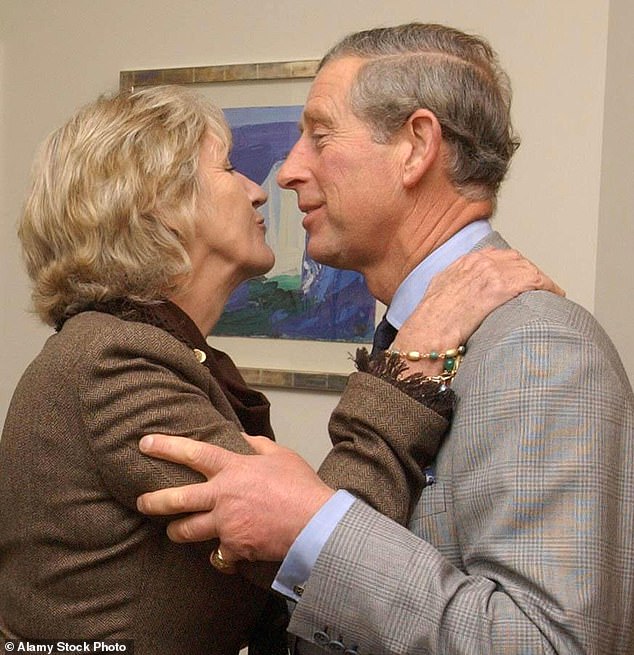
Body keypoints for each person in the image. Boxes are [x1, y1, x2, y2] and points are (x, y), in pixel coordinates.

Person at [0, 85, 556, 653]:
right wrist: (414, 355)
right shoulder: (114, 364)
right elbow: (312, 545)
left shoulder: (142, 351)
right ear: (162, 206)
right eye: (230, 168)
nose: (257, 192)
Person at [136, 22, 634, 654]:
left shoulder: (537, 348)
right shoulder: (414, 335)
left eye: (319, 136)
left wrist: (314, 529)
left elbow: (550, 644)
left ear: (415, 146)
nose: (287, 172)